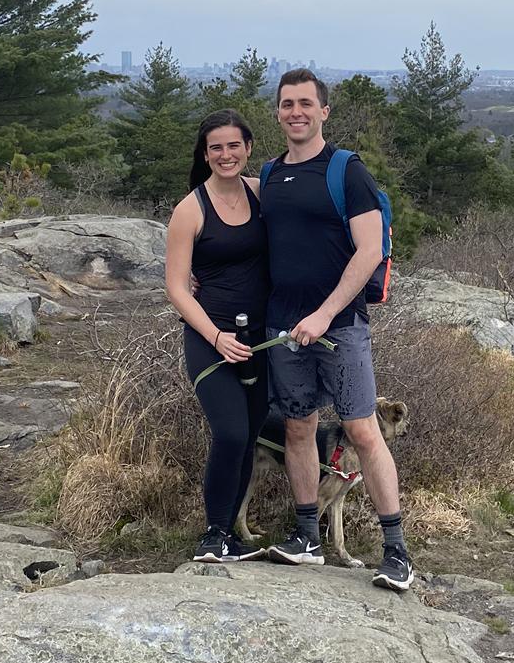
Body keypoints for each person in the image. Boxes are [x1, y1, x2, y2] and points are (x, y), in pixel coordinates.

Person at [259, 69, 413, 591]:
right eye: (287, 104)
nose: (296, 112)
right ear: (277, 112)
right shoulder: (272, 173)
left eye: (306, 103)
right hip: (283, 326)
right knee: (299, 428)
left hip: (339, 326)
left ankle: (396, 552)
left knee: (363, 430)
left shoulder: (347, 171)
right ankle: (307, 539)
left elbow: (369, 249)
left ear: (324, 111)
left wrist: (324, 313)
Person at [164, 109, 271, 564]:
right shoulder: (190, 210)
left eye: (233, 145)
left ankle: (230, 533)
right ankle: (213, 535)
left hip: (264, 338)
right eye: (216, 148)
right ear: (205, 155)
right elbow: (175, 286)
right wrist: (216, 336)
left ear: (248, 148)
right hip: (210, 339)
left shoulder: (262, 193)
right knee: (229, 433)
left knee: (249, 437)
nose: (226, 155)